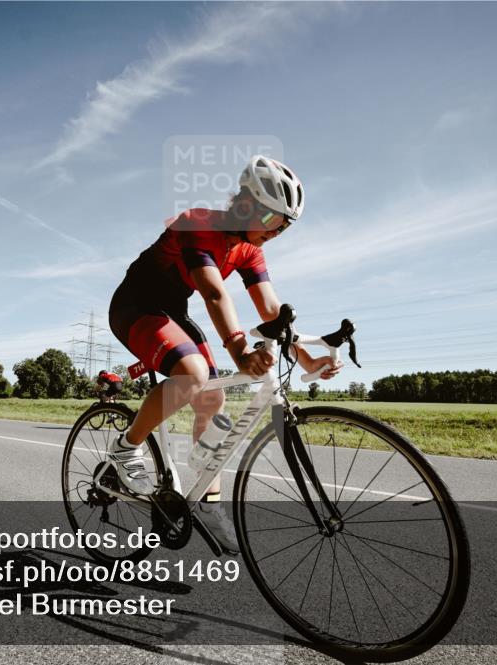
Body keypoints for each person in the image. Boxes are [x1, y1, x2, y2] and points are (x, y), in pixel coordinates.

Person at [106, 155, 341, 554]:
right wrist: (239, 350)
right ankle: (125, 447)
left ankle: (206, 504)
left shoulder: (249, 249)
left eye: (284, 227)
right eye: (272, 221)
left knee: (212, 396)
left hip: (171, 310)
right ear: (246, 204)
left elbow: (271, 310)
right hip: (135, 305)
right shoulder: (198, 223)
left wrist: (306, 360)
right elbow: (214, 292)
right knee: (194, 374)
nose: (277, 232)